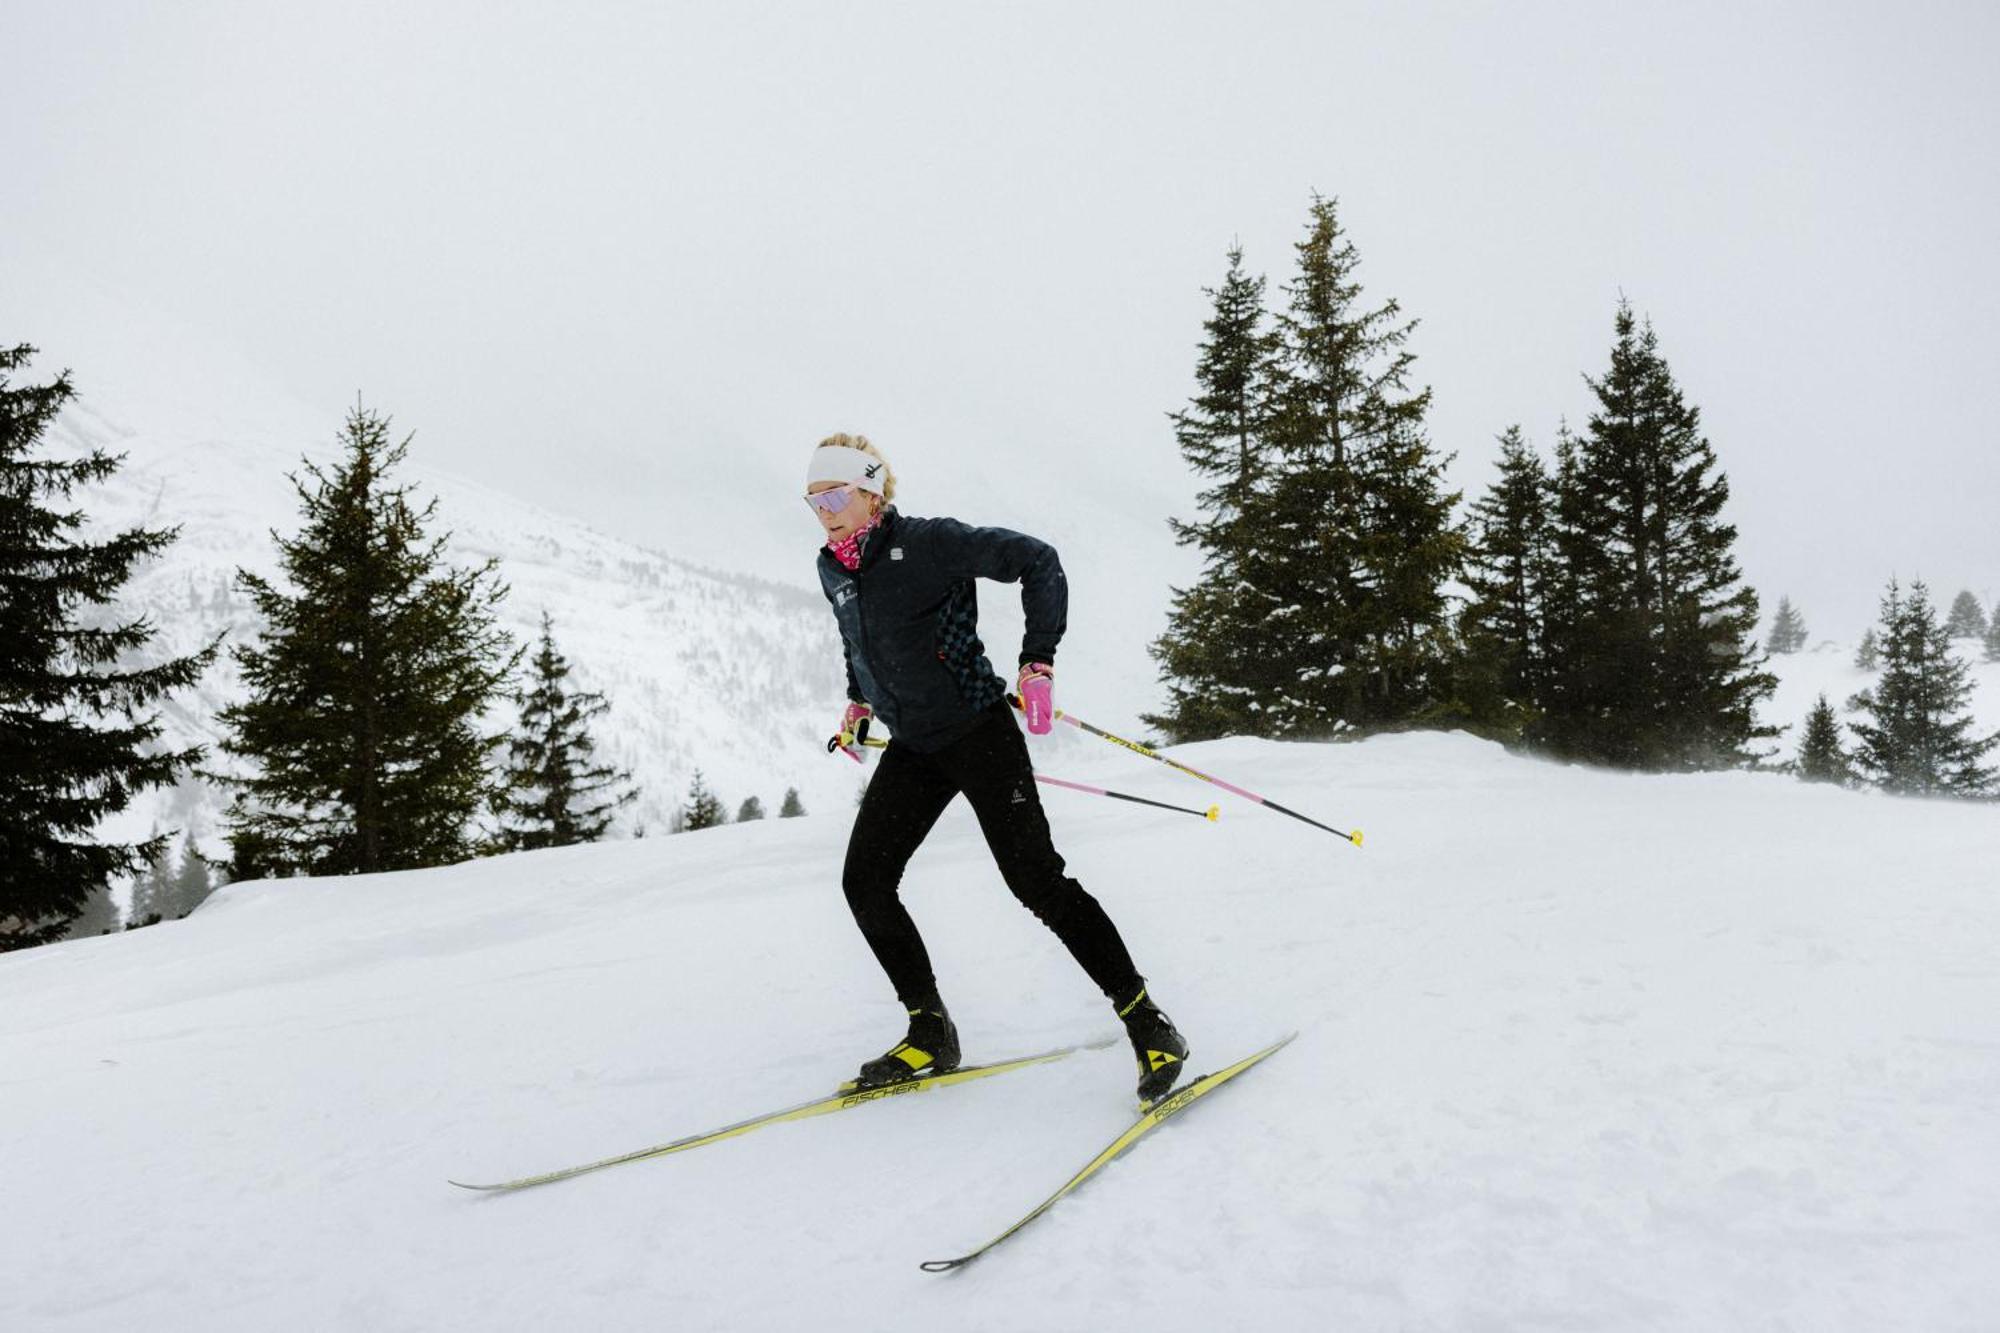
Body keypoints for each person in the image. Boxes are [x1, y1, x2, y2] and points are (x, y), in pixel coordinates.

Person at [807, 433, 1190, 1102]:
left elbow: (1039, 561)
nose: (824, 510)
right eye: (813, 499)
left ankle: (1148, 1021)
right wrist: (858, 701)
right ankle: (930, 1031)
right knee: (864, 882)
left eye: (835, 495)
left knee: (1036, 881)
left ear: (872, 493)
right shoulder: (834, 567)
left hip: (979, 731)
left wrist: (1038, 660)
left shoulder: (930, 543)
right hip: (914, 748)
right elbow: (857, 637)